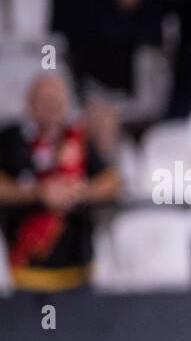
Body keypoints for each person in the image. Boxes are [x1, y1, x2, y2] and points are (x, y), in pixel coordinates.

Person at [0, 75, 120, 292]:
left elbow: (111, 183)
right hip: (26, 271)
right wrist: (38, 193)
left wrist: (81, 192)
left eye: (56, 100)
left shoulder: (78, 139)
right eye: (43, 100)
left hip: (78, 270)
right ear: (30, 104)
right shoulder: (11, 140)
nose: (50, 107)